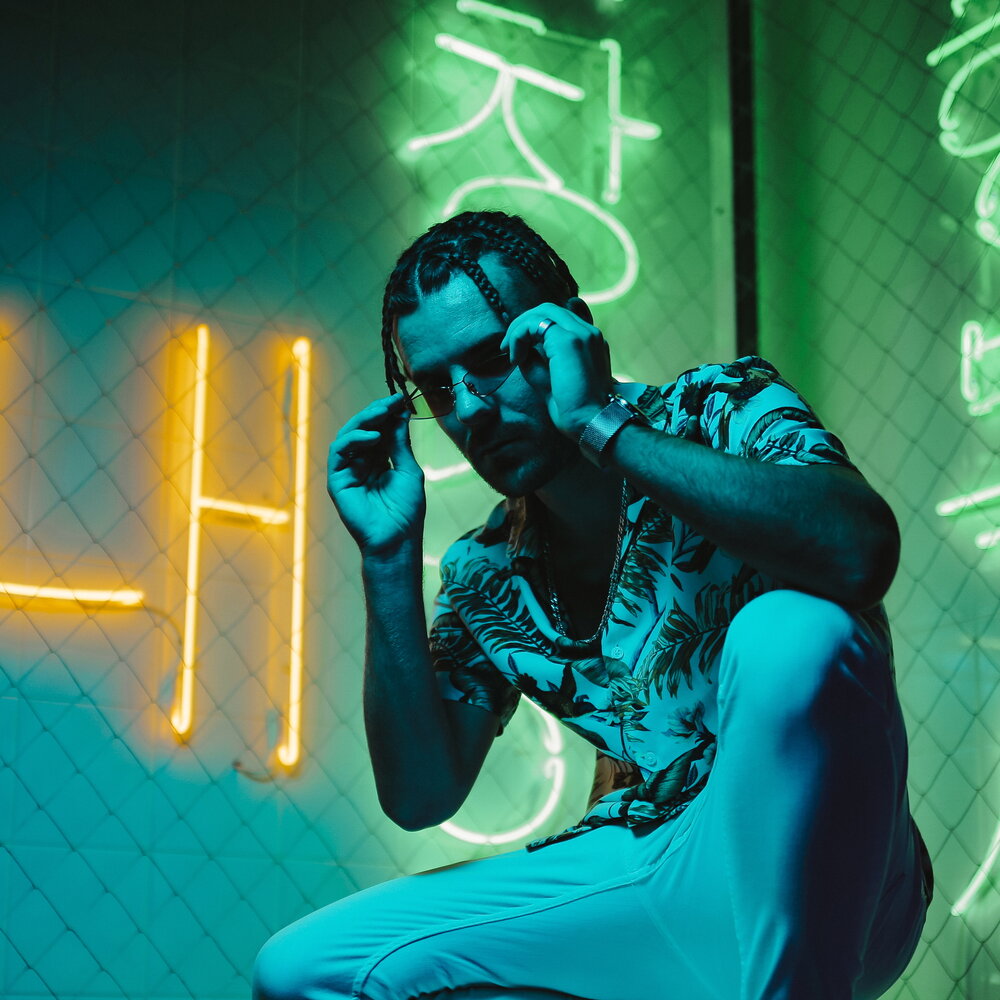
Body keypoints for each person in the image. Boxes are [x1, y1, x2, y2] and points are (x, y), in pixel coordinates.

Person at [253, 210, 934, 1000]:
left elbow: (860, 550)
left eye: (493, 358)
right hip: (661, 873)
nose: (470, 408)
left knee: (793, 632)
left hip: (844, 871)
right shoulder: (485, 573)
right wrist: (388, 555)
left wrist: (600, 424)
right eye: (438, 387)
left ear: (569, 333)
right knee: (304, 971)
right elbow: (420, 794)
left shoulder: (719, 408)